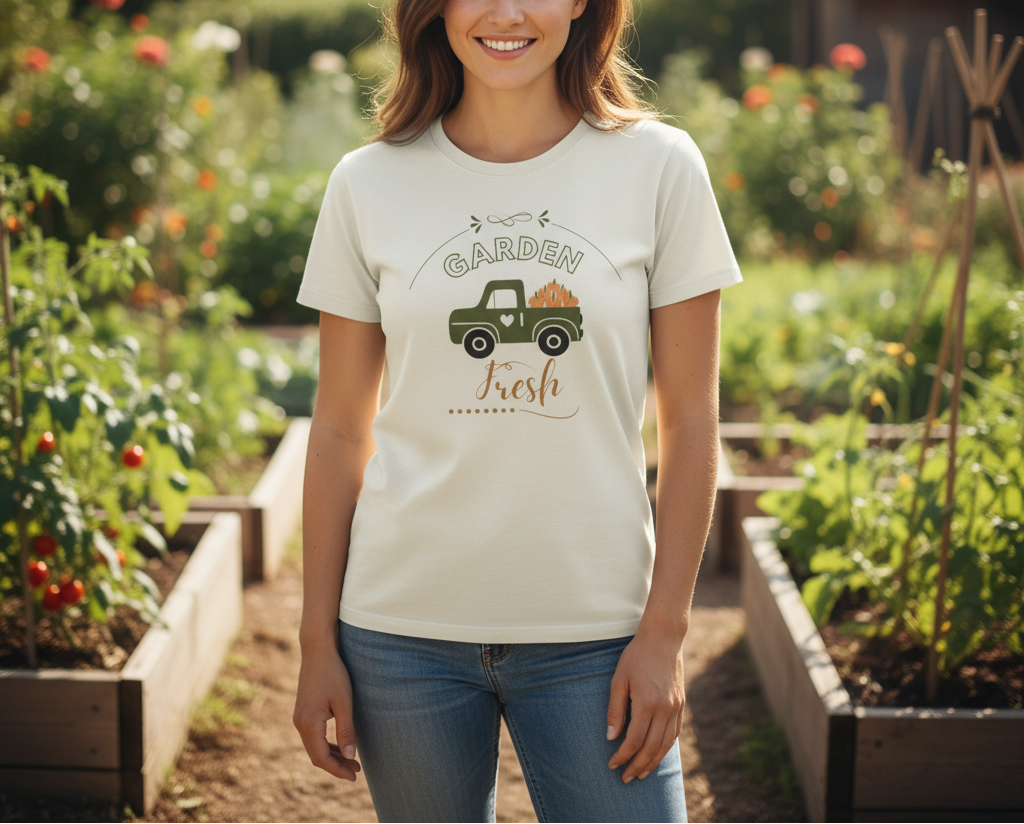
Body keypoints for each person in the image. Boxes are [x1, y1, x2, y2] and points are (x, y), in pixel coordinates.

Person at [291, 0, 741, 820]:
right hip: (399, 632)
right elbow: (340, 429)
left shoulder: (661, 168)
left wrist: (665, 632)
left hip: (600, 634)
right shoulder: (367, 182)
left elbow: (689, 425)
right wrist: (316, 639)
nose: (506, 13)